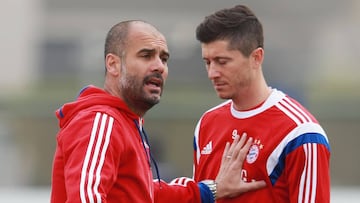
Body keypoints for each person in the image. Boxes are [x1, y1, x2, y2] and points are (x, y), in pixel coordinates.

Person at [50, 20, 265, 203]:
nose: (159, 67)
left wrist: (211, 190)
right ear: (113, 65)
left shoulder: (126, 124)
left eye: (163, 59)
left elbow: (147, 194)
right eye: (146, 55)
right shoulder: (100, 121)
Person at [193, 5, 331, 203]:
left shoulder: (301, 134)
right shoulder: (206, 124)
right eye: (207, 62)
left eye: (222, 61)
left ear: (256, 58)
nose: (212, 73)